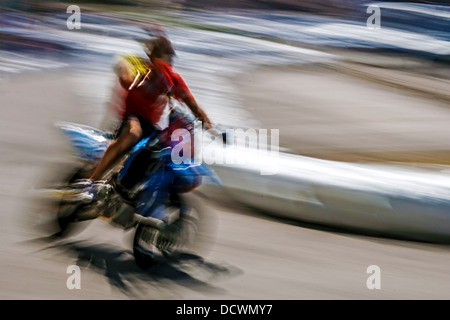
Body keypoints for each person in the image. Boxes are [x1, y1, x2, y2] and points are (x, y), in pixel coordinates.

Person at [77, 35, 213, 198]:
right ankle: (91, 182)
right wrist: (125, 71)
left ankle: (132, 189)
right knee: (134, 133)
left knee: (161, 151)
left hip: (150, 126)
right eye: (166, 54)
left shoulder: (172, 79)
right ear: (154, 55)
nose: (170, 59)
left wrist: (212, 129)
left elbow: (193, 105)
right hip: (131, 119)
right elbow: (123, 68)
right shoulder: (141, 68)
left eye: (171, 55)